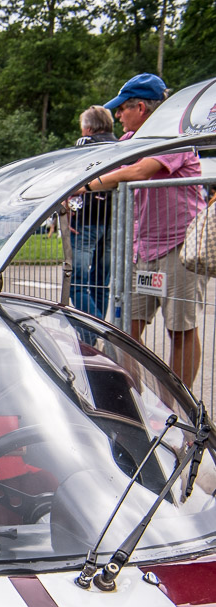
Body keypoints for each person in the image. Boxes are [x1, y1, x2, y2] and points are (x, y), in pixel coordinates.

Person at [77, 73, 207, 383]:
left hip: (180, 245)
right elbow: (107, 163)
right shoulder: (130, 142)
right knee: (126, 330)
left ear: (140, 107)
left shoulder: (174, 137)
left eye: (122, 108)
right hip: (142, 248)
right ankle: (133, 405)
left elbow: (139, 170)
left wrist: (87, 186)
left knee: (180, 328)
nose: (118, 115)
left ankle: (179, 410)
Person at [67, 106, 118, 320]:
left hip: (86, 218)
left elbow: (72, 177)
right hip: (112, 219)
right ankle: (99, 330)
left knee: (77, 282)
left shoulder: (86, 144)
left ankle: (92, 334)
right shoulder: (121, 145)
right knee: (100, 282)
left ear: (87, 129)